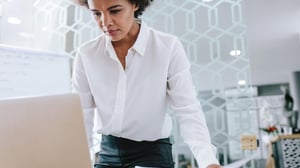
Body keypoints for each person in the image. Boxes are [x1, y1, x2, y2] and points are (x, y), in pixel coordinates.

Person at [70, 0, 221, 168]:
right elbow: (83, 115)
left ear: (135, 4)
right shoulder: (87, 54)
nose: (105, 22)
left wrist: (208, 161)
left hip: (153, 152)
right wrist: (78, 160)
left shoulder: (167, 47)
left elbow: (187, 108)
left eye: (115, 11)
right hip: (108, 152)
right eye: (96, 13)